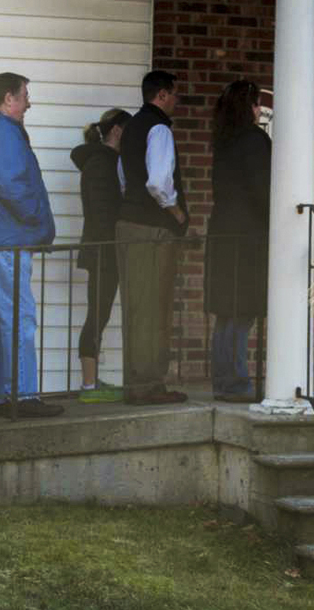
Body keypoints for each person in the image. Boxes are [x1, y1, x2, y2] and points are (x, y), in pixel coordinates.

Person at [0, 72, 62, 419]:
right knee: (20, 318)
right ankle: (23, 394)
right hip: (6, 240)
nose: (28, 102)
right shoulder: (4, 132)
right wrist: (37, 219)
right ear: (8, 99)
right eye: (24, 96)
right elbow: (10, 185)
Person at [116, 70, 189, 404]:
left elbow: (123, 177)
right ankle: (148, 384)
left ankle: (135, 381)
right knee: (153, 306)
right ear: (161, 95)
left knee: (135, 304)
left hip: (127, 225)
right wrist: (176, 213)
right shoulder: (158, 128)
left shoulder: (131, 126)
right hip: (151, 228)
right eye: (174, 94)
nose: (176, 101)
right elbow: (158, 182)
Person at [204, 80, 271, 402]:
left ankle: (224, 381)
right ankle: (236, 384)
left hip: (223, 232)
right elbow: (264, 190)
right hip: (247, 238)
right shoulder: (254, 140)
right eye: (257, 103)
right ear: (249, 106)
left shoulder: (224, 140)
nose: (260, 110)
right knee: (242, 311)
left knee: (227, 313)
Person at [70, 108, 132, 402]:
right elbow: (100, 211)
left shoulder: (110, 162)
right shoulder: (100, 163)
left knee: (101, 313)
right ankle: (88, 386)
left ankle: (93, 383)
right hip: (103, 251)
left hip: (108, 249)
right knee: (97, 314)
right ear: (117, 131)